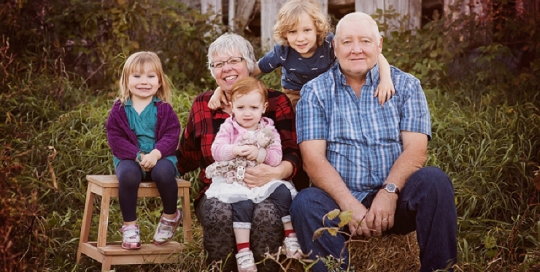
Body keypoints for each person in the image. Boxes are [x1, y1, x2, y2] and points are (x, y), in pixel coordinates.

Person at [290, 12, 458, 272]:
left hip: (396, 201)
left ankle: (439, 269)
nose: (356, 49)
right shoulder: (315, 92)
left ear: (379, 45)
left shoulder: (407, 86)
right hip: (339, 204)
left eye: (365, 41)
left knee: (434, 182)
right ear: (334, 47)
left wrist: (389, 193)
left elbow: (416, 150)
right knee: (305, 202)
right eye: (347, 42)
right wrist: (348, 206)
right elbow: (313, 160)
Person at [176, 33, 301, 272]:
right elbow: (185, 157)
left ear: (250, 64)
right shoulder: (203, 105)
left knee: (266, 214)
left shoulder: (275, 101)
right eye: (218, 64)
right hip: (221, 189)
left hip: (266, 189)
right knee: (220, 213)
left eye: (234, 60)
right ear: (212, 72)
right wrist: (150, 165)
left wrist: (274, 173)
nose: (227, 69)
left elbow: (294, 153)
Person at [208, 0, 395, 113]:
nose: (300, 38)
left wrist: (385, 79)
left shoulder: (329, 43)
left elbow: (378, 55)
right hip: (294, 93)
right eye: (293, 32)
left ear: (317, 29)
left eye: (306, 30)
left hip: (327, 90)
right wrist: (222, 89)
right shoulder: (283, 50)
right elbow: (253, 70)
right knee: (293, 122)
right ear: (285, 34)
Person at [204, 77, 303, 272]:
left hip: (262, 179)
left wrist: (260, 154)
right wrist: (235, 150)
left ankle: (291, 236)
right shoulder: (228, 127)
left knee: (283, 192)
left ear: (263, 107)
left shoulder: (268, 130)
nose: (247, 113)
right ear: (232, 107)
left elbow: (276, 158)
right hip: (237, 180)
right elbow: (216, 150)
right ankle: (243, 253)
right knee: (242, 204)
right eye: (241, 108)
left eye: (253, 108)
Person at [105, 51, 182, 250]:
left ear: (159, 82)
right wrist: (138, 155)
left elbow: (172, 135)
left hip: (161, 156)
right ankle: (130, 226)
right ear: (126, 80)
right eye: (137, 76)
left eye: (150, 76)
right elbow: (115, 138)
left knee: (164, 173)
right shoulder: (120, 109)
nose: (144, 81)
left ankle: (170, 217)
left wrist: (155, 154)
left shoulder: (164, 108)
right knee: (129, 176)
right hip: (130, 157)